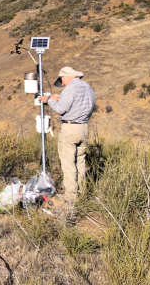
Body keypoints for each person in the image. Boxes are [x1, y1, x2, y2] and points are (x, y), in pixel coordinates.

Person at [40, 66, 95, 204]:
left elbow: (61, 109)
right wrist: (59, 98)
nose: (62, 83)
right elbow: (80, 105)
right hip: (84, 128)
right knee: (80, 162)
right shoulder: (87, 87)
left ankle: (71, 196)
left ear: (67, 77)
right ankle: (82, 192)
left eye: (62, 80)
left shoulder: (70, 88)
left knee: (68, 163)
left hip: (70, 129)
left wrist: (48, 100)